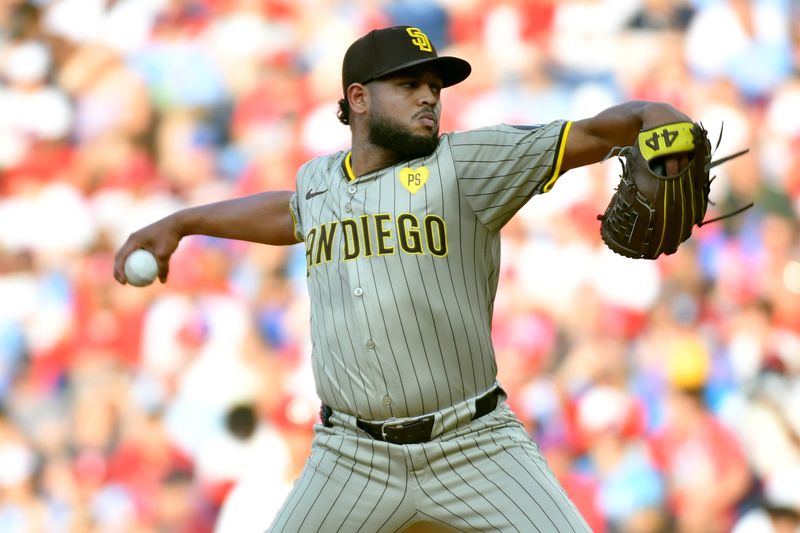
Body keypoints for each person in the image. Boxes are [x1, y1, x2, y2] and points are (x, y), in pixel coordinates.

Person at [114, 25, 695, 533]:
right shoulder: (320, 180)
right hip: (351, 456)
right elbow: (289, 212)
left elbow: (591, 135)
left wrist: (651, 116)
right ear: (359, 99)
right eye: (410, 85)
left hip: (474, 446)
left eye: (434, 88)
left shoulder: (467, 163)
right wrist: (183, 221)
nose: (428, 98)